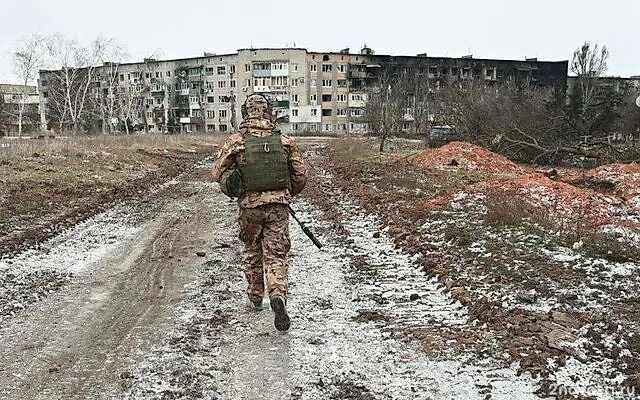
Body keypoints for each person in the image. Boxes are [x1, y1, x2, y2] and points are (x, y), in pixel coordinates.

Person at [211, 93, 307, 331]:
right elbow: (300, 176)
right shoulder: (285, 140)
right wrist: (285, 194)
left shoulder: (236, 141)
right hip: (278, 206)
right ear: (270, 111)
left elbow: (215, 173)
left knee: (252, 250)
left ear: (246, 112)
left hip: (249, 207)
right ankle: (277, 294)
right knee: (276, 254)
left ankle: (255, 296)